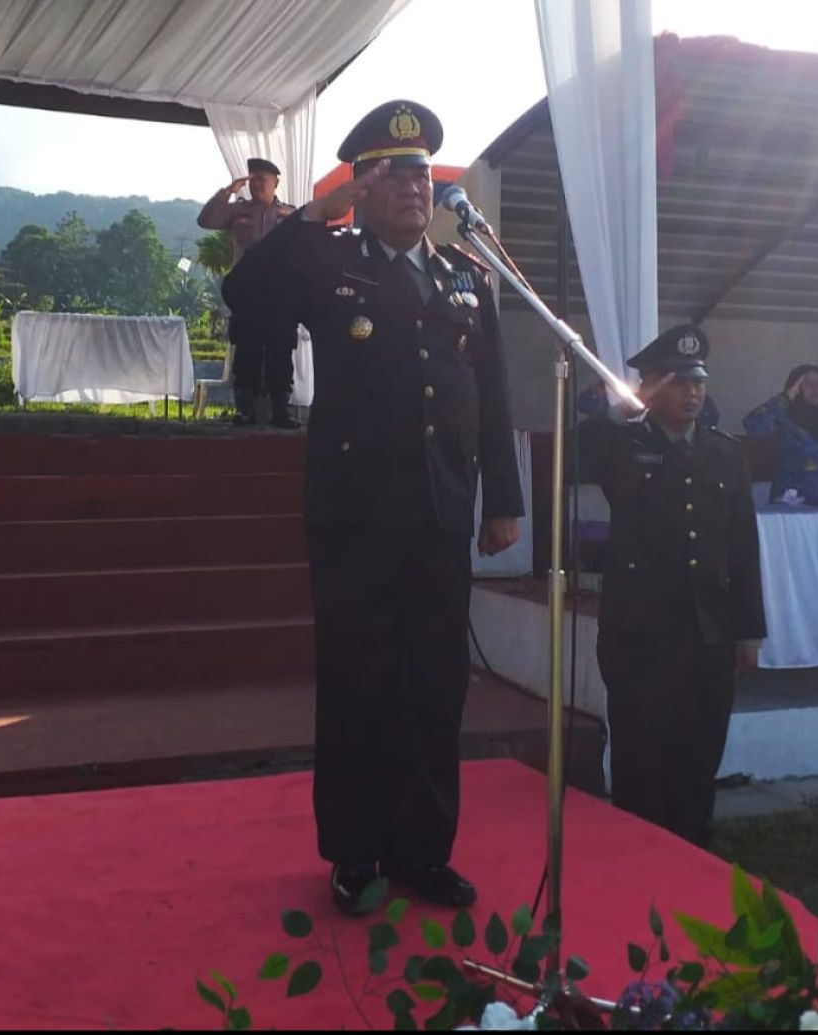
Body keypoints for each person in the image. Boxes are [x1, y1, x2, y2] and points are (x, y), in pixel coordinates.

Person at [221, 100, 524, 915]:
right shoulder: (329, 263)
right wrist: (314, 214)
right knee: (359, 683)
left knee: (434, 686)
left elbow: (491, 396)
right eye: (393, 175)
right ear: (362, 188)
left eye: (422, 174)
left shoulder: (465, 276)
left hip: (440, 510)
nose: (414, 188)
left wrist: (503, 500)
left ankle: (422, 852)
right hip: (356, 514)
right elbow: (245, 294)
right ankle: (356, 854)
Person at [576, 324, 765, 849]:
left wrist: (749, 630)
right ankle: (640, 853)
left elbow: (742, 546)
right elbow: (574, 456)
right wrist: (619, 411)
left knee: (699, 751)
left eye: (698, 382)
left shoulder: (725, 452)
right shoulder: (623, 445)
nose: (692, 392)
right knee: (641, 752)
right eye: (679, 382)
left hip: (707, 628)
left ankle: (694, 851)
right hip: (641, 630)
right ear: (653, 387)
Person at [197, 157, 299, 428]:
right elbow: (205, 220)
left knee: (280, 350)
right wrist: (228, 191)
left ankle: (281, 410)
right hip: (247, 287)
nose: (256, 185)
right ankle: (245, 409)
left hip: (280, 290)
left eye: (262, 180)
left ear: (275, 183)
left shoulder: (289, 214)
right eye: (252, 181)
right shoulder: (238, 211)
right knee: (247, 349)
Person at [743, 364, 818, 505]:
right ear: (796, 387)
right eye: (808, 383)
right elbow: (753, 425)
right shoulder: (783, 418)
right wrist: (785, 398)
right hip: (792, 504)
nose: (815, 388)